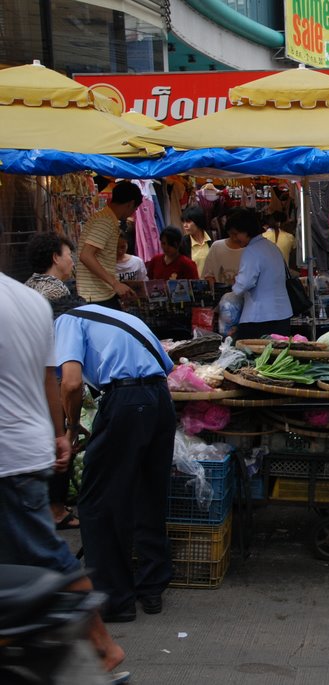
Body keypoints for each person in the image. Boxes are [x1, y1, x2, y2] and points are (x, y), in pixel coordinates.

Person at [0, 274, 128, 682]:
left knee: (42, 554)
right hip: (28, 445)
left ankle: (101, 643)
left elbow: (63, 381)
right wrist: (59, 433)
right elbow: (49, 381)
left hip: (7, 458)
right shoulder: (30, 300)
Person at [54, 300, 176, 625]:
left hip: (126, 400)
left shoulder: (66, 321)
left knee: (97, 502)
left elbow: (70, 382)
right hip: (160, 399)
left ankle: (114, 601)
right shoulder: (120, 317)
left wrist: (70, 426)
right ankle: (151, 589)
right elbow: (166, 366)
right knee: (148, 493)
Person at [24, 233, 81, 530]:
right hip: (53, 372)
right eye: (68, 253)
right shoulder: (56, 291)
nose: (72, 259)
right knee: (63, 436)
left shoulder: (26, 286)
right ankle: (56, 508)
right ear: (56, 258)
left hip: (25, 376)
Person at [226, 208, 292, 339]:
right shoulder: (272, 247)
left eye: (235, 234)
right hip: (282, 314)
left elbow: (244, 284)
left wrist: (235, 282)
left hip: (259, 317)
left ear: (247, 231)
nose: (233, 239)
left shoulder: (251, 251)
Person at [77, 180, 142, 309]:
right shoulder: (104, 221)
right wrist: (114, 283)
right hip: (96, 295)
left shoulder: (107, 218)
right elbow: (86, 255)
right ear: (131, 204)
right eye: (135, 209)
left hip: (101, 293)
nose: (133, 213)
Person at [25, 232, 75, 302]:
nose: (73, 263)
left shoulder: (28, 285)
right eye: (70, 255)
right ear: (55, 258)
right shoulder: (57, 291)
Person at [202, 223, 246, 288]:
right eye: (233, 234)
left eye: (238, 234)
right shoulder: (217, 246)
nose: (235, 238)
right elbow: (208, 276)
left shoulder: (253, 249)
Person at [181, 207, 212, 274]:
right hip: (194, 283)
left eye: (188, 222)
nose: (185, 225)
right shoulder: (183, 243)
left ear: (198, 222)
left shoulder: (213, 238)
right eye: (183, 222)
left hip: (214, 283)